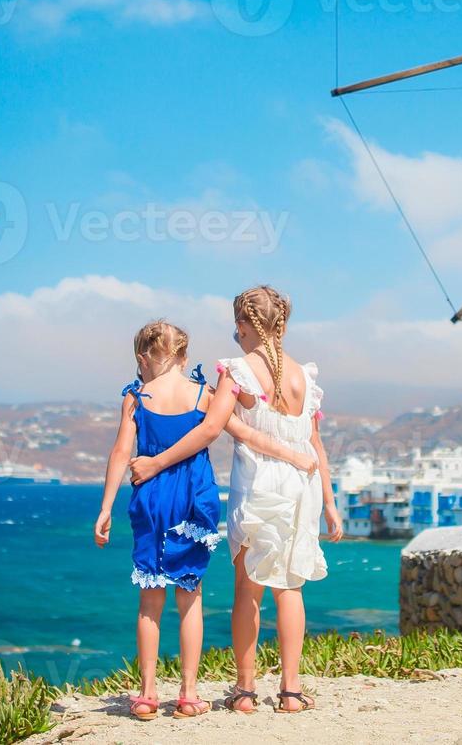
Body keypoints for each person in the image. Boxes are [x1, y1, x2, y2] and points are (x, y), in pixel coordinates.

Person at [129, 286, 343, 714]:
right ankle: (291, 691)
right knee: (291, 586)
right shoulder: (306, 377)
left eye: (236, 325)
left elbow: (211, 429)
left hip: (260, 483)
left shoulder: (237, 371)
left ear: (245, 325)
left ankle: (245, 691)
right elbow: (316, 445)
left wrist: (154, 465)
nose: (235, 333)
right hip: (302, 485)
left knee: (248, 587)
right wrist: (331, 503)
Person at [97, 318, 314, 719]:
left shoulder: (136, 396)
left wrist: (106, 506)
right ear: (184, 355)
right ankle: (189, 694)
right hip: (194, 501)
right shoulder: (203, 395)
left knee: (150, 600)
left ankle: (146, 696)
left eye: (138, 362)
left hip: (151, 498)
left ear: (144, 357)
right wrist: (296, 456)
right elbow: (245, 434)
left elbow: (119, 453)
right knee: (190, 597)